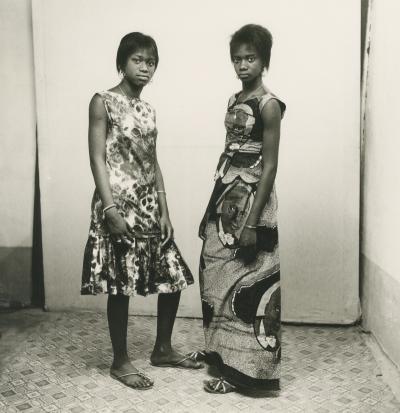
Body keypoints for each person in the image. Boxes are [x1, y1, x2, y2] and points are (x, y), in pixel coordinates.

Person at [81, 32, 202, 391]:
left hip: (149, 205)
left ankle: (162, 348)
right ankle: (120, 360)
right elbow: (96, 158)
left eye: (150, 61)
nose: (145, 67)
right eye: (138, 60)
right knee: (120, 284)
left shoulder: (148, 109)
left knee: (173, 275)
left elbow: (152, 160)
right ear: (123, 62)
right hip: (118, 202)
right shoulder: (102, 101)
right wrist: (109, 207)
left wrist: (165, 209)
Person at [198, 24, 286, 394]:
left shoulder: (269, 105)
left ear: (264, 60)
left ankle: (250, 375)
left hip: (253, 201)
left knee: (250, 282)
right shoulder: (234, 98)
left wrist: (252, 222)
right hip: (226, 197)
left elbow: (269, 166)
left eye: (250, 58)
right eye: (237, 58)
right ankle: (221, 359)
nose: (242, 65)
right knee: (215, 272)